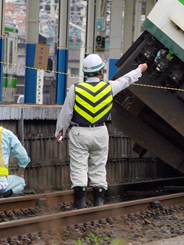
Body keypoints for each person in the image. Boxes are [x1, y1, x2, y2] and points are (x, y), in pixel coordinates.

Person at [55, 54, 147, 208]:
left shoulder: (75, 89)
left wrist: (60, 132)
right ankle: (99, 202)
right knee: (98, 166)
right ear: (101, 72)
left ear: (85, 72)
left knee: (79, 167)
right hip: (100, 131)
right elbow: (126, 80)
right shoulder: (109, 87)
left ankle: (80, 203)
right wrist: (139, 69)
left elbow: (66, 113)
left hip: (79, 132)